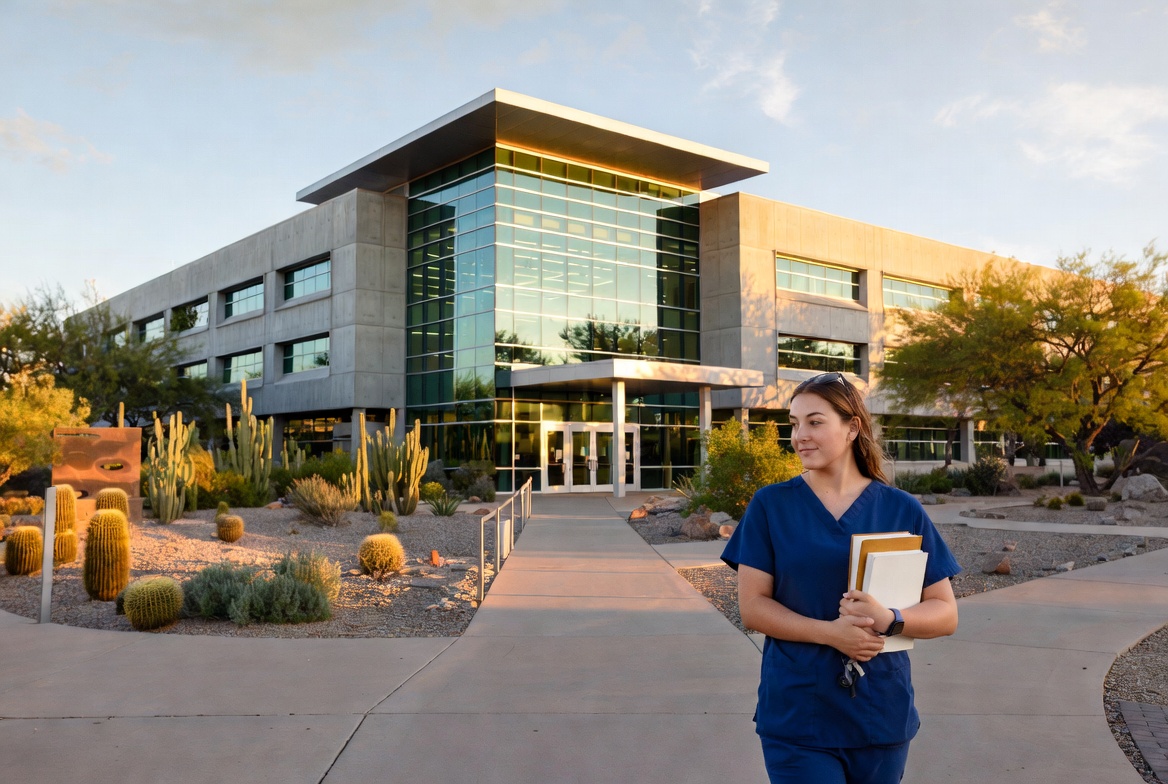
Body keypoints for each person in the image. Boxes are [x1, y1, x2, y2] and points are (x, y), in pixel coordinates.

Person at [721, 372, 961, 784]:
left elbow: (945, 613)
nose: (800, 435)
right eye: (794, 424)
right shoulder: (771, 506)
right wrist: (831, 634)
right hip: (798, 714)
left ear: (852, 428)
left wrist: (890, 618)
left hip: (879, 713)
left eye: (814, 422)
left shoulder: (901, 509)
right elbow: (753, 608)